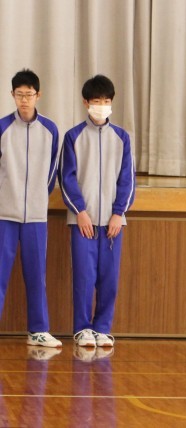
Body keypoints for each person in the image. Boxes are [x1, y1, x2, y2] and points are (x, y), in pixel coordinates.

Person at [59, 75, 135, 348]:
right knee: (84, 276)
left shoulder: (122, 138)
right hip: (83, 221)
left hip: (113, 223)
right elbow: (66, 177)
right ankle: (82, 329)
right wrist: (80, 211)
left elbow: (127, 179)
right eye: (96, 101)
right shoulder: (73, 136)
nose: (101, 105)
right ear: (86, 103)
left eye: (105, 101)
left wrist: (118, 213)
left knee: (109, 278)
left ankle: (102, 328)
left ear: (111, 102)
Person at [0, 69, 62, 348]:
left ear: (38, 95)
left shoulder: (50, 130)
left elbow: (51, 171)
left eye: (29, 94)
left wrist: (38, 198)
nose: (24, 100)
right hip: (4, 215)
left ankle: (38, 330)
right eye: (19, 94)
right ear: (12, 95)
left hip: (36, 216)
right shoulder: (2, 127)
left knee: (37, 275)